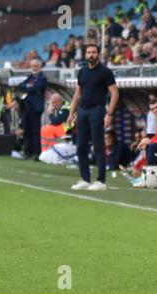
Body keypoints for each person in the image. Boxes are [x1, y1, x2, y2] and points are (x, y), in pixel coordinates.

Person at [67, 44, 119, 191]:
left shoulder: (105, 72)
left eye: (93, 52)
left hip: (97, 110)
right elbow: (77, 94)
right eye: (88, 52)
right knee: (81, 146)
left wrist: (109, 113)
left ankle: (101, 181)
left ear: (98, 54)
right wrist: (71, 112)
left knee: (98, 146)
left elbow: (115, 93)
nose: (91, 55)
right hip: (82, 111)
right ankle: (85, 179)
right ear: (85, 54)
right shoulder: (82, 72)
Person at [18, 58, 47, 161]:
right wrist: (28, 86)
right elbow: (21, 86)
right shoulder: (30, 77)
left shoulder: (42, 78)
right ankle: (27, 152)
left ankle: (36, 153)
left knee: (35, 131)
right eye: (32, 66)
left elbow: (35, 88)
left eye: (36, 66)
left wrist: (27, 87)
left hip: (36, 108)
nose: (34, 68)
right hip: (27, 107)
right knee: (27, 130)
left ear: (40, 66)